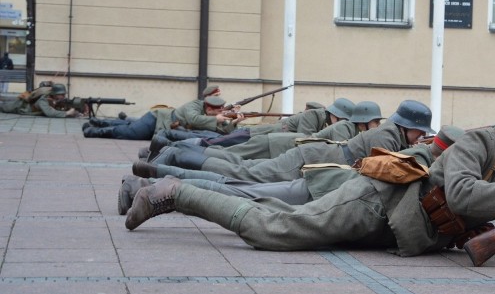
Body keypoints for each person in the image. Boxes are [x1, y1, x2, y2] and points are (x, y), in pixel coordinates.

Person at [124, 97, 495, 261]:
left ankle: (166, 184)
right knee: (271, 230)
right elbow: (461, 194)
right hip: (374, 203)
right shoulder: (477, 145)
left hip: (397, 231)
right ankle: (173, 192)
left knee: (269, 208)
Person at [117, 125, 465, 215]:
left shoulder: (400, 139)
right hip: (316, 172)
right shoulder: (396, 139)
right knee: (239, 178)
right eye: (419, 130)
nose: (421, 135)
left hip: (317, 168)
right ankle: (161, 168)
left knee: (237, 176)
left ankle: (154, 172)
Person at [131, 99, 433, 183]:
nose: (421, 137)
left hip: (307, 157)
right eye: (420, 132)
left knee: (238, 165)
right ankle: (178, 152)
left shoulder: (388, 134)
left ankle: (177, 153)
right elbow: (394, 167)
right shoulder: (386, 136)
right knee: (241, 170)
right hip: (304, 158)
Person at [156, 100, 384, 163]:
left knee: (218, 145)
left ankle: (172, 146)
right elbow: (304, 139)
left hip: (269, 139)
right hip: (260, 135)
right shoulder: (315, 116)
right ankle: (171, 145)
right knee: (215, 144)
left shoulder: (332, 124)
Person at [83, 95, 244, 140]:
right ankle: (94, 131)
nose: (220, 114)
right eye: (217, 111)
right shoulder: (194, 106)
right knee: (129, 132)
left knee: (129, 127)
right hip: (157, 119)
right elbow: (194, 120)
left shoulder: (210, 115)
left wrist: (234, 122)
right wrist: (217, 119)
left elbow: (222, 132)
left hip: (163, 128)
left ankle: (99, 122)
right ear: (209, 108)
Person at [0, 82, 79, 117]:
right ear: (54, 94)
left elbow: (58, 107)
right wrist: (67, 113)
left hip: (23, 105)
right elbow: (49, 113)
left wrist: (75, 111)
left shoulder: (55, 99)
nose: (63, 96)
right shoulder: (43, 99)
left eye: (64, 94)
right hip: (20, 106)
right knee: (2, 107)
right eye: (61, 94)